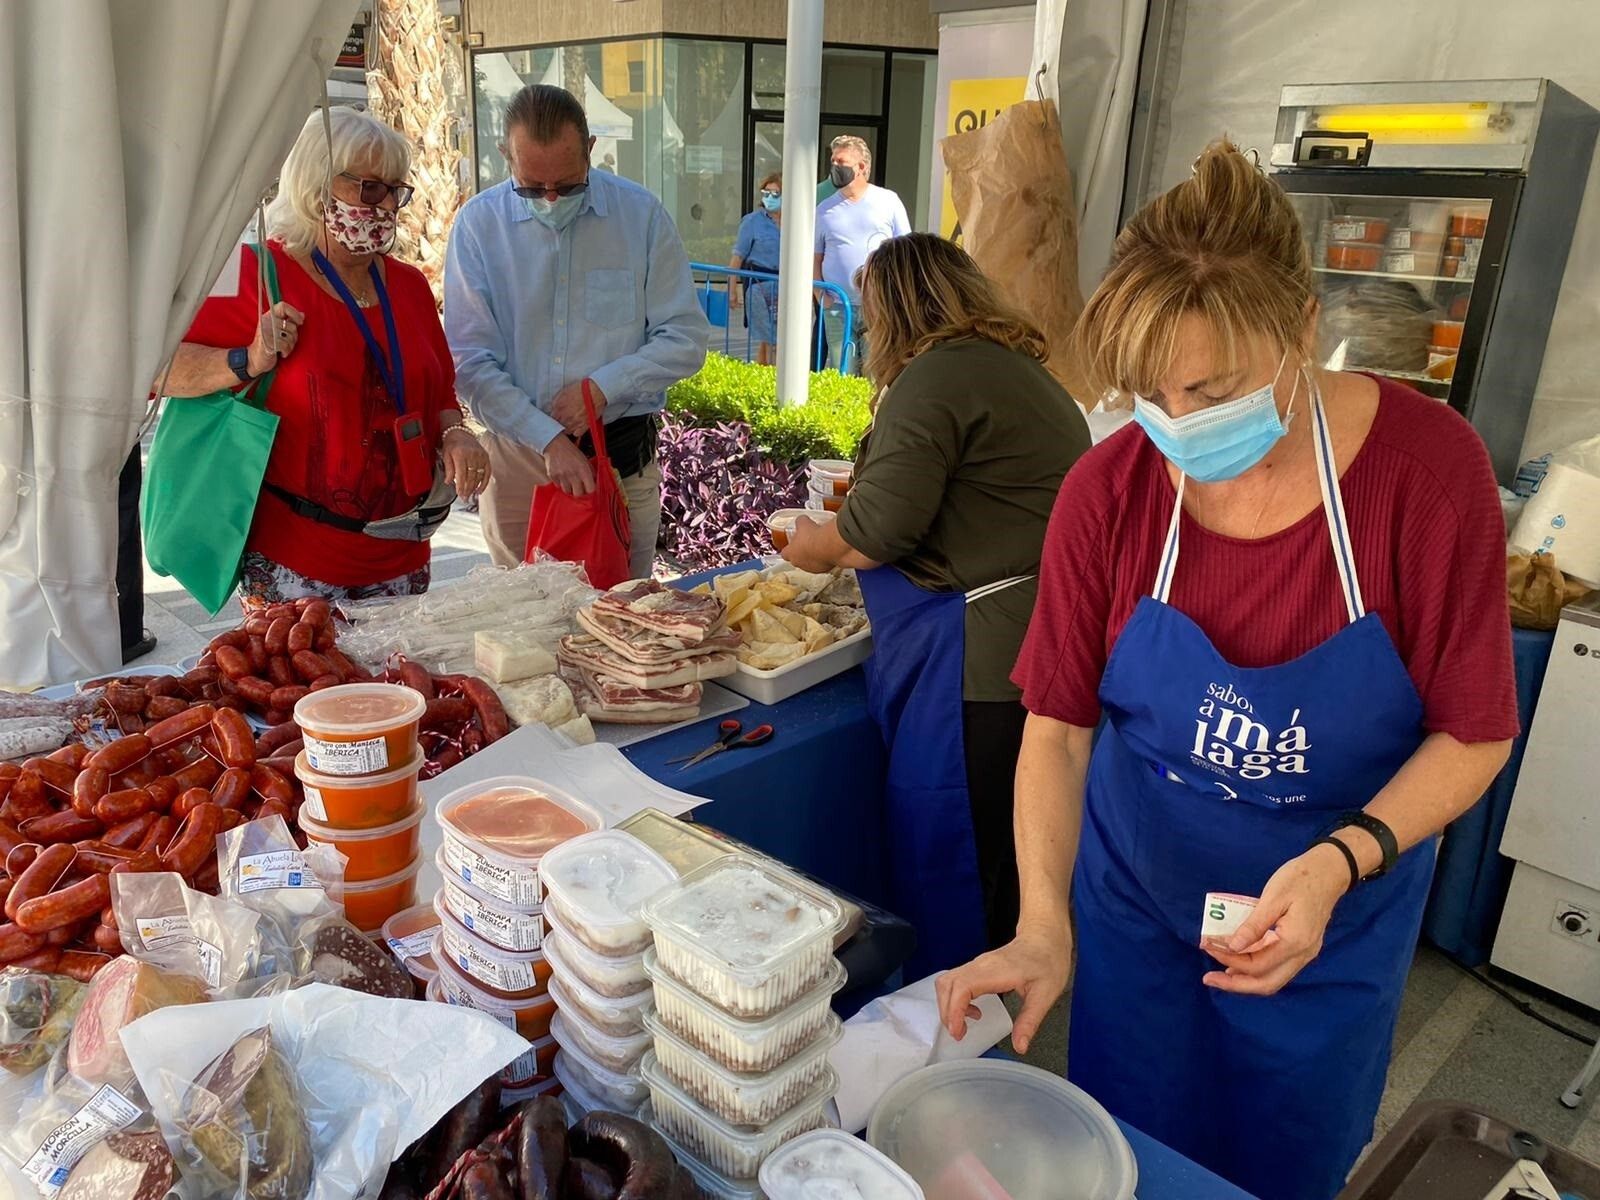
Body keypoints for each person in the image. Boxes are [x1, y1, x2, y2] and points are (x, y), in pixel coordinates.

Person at [935, 143, 1517, 1200]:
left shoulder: (1427, 476)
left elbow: (1474, 728)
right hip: (1139, 905)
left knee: (1284, 1162)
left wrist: (1342, 859)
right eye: (1151, 395)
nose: (1180, 423)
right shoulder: (1110, 489)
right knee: (1133, 1152)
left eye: (1212, 387)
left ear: (1300, 327)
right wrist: (1039, 924)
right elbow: (1058, 732)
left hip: (1327, 909)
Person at [783, 233, 1090, 970]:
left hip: (978, 659)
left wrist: (808, 537)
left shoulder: (936, 376)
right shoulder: (1018, 369)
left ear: (892, 311)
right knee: (1007, 854)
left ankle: (962, 1018)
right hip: (1040, 640)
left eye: (867, 317)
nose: (864, 333)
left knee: (956, 847)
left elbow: (877, 533)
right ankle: (1007, 983)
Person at [166, 108, 488, 605]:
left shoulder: (408, 286)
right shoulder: (257, 274)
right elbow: (161, 370)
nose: (385, 207)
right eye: (369, 188)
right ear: (316, 186)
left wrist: (456, 433)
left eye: (395, 191)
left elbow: (439, 391)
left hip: (401, 555)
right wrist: (248, 358)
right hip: (296, 561)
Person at [445, 84, 710, 579]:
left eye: (567, 184)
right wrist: (549, 440)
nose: (549, 198)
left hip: (621, 458)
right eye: (531, 185)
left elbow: (686, 337)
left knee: (622, 620)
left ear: (590, 150)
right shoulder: (479, 225)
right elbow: (470, 362)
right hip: (520, 459)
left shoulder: (640, 216)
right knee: (520, 629)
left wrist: (604, 387)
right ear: (506, 155)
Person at [813, 136, 910, 374]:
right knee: (842, 372)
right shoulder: (824, 210)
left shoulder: (888, 201)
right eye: (833, 161)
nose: (835, 167)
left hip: (878, 306)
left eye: (842, 162)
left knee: (876, 372)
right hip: (837, 307)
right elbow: (814, 258)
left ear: (862, 167)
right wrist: (820, 295)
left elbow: (906, 251)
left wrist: (896, 295)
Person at [729, 173, 783, 366]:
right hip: (759, 285)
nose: (770, 197)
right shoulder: (752, 221)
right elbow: (738, 257)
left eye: (775, 193)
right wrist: (732, 289)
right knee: (771, 340)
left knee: (774, 338)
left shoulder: (796, 222)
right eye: (766, 193)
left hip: (785, 286)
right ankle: (770, 379)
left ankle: (764, 374)